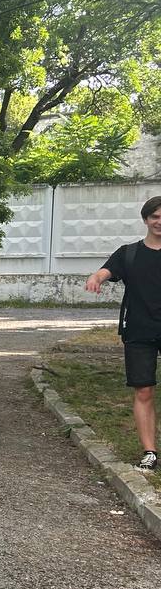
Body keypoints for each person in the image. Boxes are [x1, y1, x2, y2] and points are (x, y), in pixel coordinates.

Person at [86, 195, 161, 471]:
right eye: (155, 216)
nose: (159, 222)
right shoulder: (129, 253)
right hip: (139, 330)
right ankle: (150, 452)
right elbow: (106, 271)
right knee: (143, 390)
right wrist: (95, 278)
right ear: (146, 220)